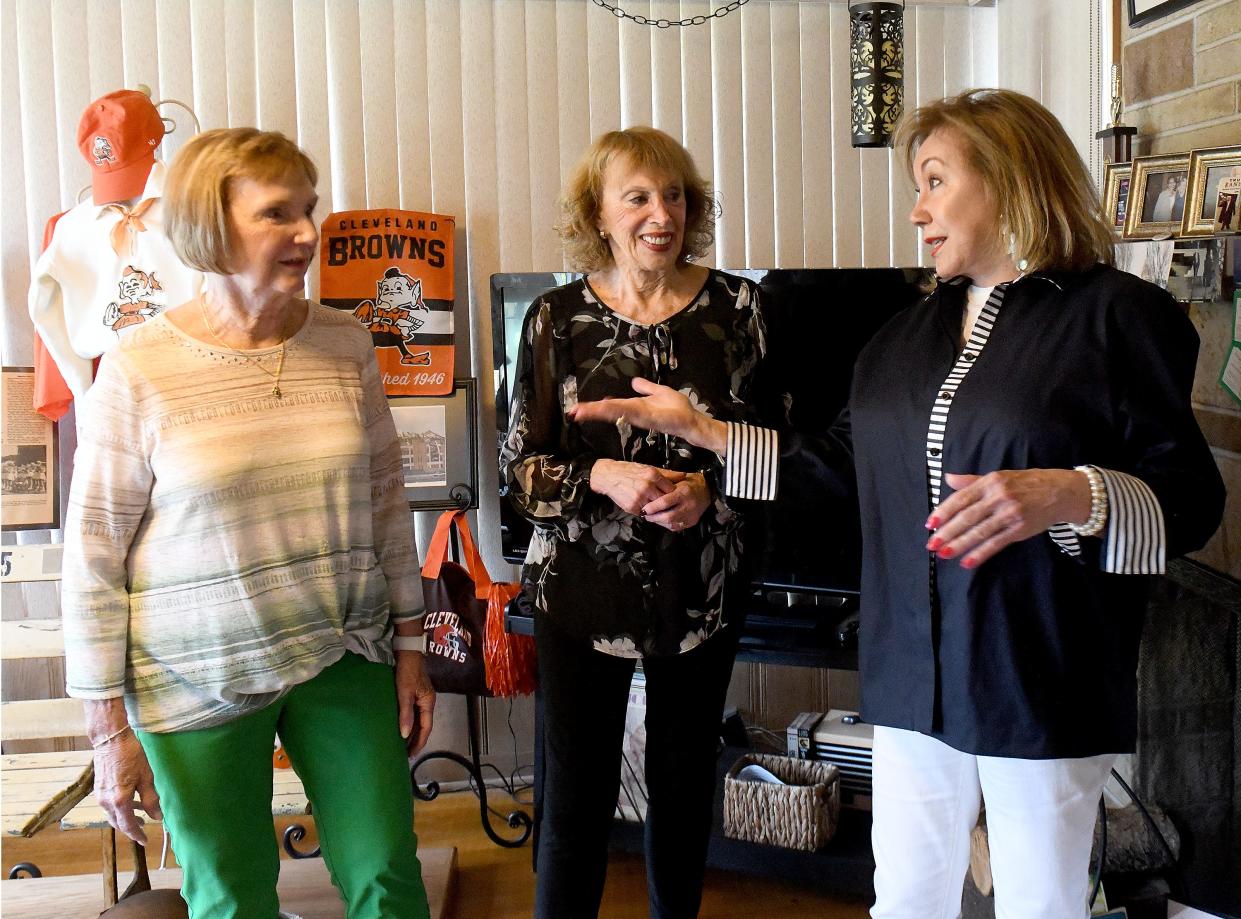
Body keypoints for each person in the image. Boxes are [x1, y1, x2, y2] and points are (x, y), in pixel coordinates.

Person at [571, 89, 1225, 919]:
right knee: (907, 897)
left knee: (1040, 901)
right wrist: (709, 435)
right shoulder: (900, 337)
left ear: (1010, 178)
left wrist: (1070, 492)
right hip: (909, 667)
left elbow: (1192, 502)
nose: (916, 209)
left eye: (934, 179)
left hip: (1039, 670)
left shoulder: (1119, 318)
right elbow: (839, 467)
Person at [61, 127, 436, 919]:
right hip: (194, 672)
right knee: (231, 897)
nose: (307, 232)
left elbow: (383, 499)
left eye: (309, 209)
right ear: (212, 226)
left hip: (342, 647)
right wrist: (106, 730)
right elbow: (92, 555)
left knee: (386, 876)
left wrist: (410, 648)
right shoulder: (138, 367)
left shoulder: (344, 342)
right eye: (277, 214)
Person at [499, 126, 772, 919]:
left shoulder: (739, 309)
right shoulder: (555, 319)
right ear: (600, 212)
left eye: (676, 194)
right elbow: (521, 472)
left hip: (702, 587)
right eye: (640, 197)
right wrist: (598, 475)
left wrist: (708, 491)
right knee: (575, 801)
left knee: (684, 794)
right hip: (578, 593)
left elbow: (778, 448)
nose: (663, 214)